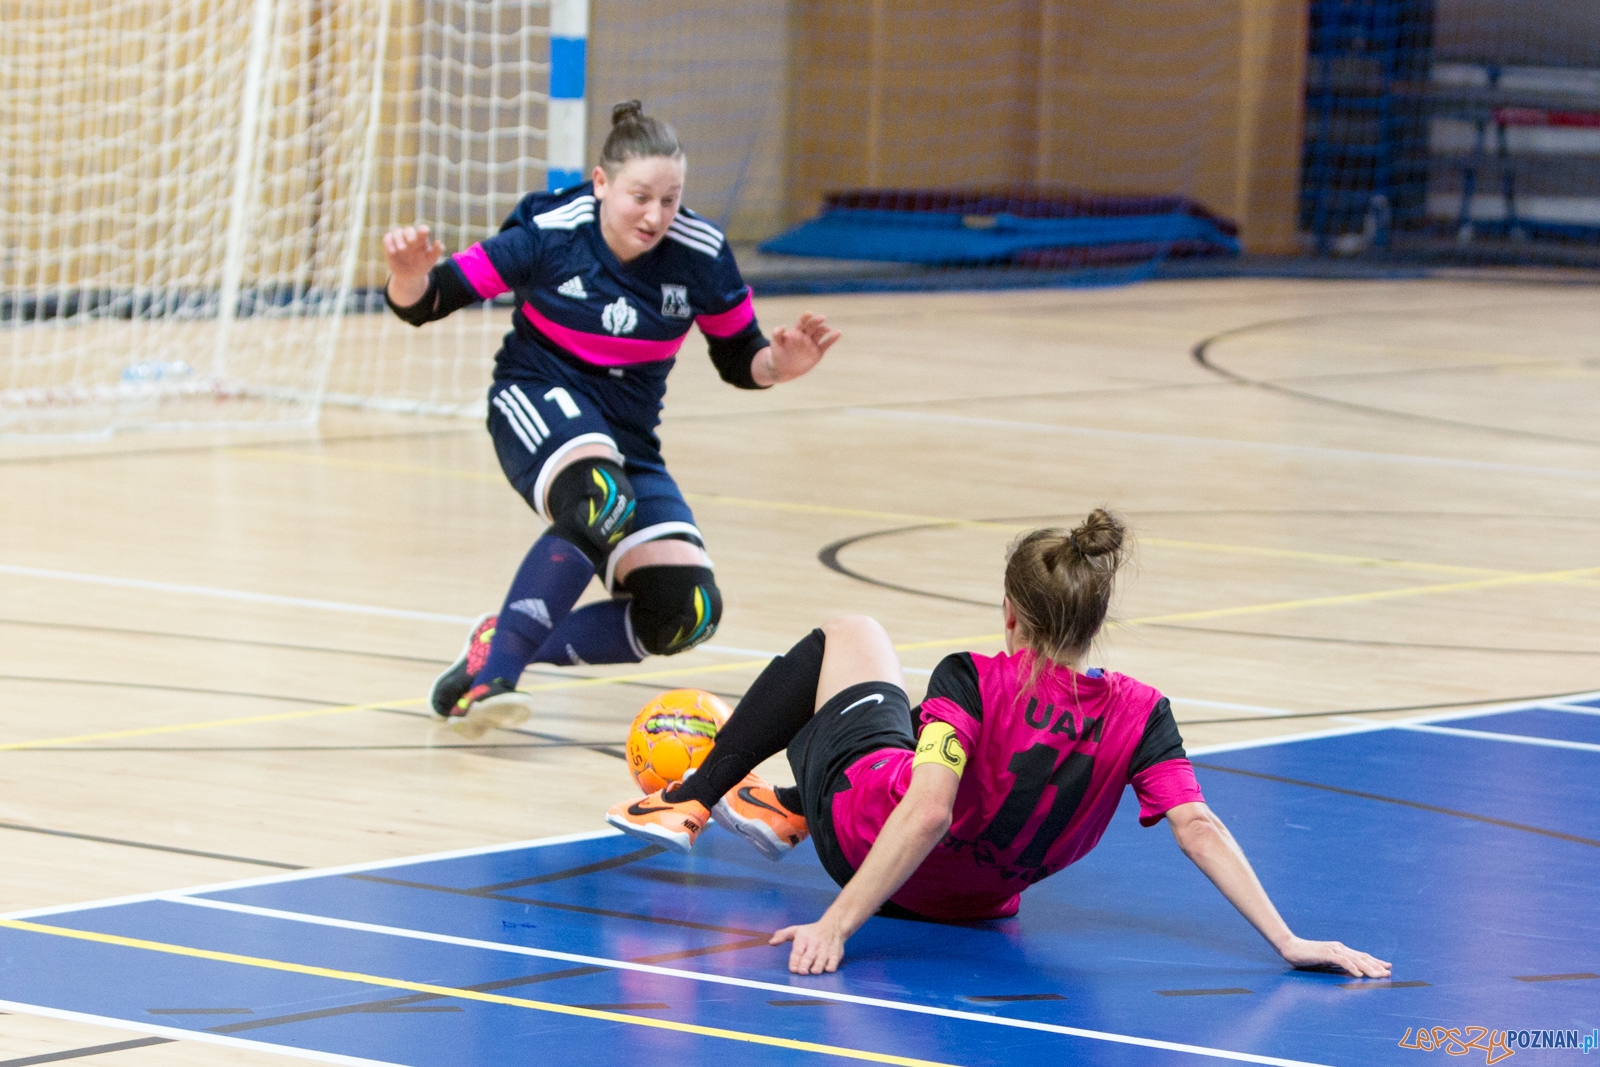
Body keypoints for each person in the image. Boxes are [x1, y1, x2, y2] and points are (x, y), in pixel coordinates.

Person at [608, 510, 1393, 979]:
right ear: (1094, 621)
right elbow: (1199, 827)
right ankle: (782, 804)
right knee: (912, 733)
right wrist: (1288, 939)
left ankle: (694, 797)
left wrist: (837, 924)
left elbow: (926, 814)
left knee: (853, 636)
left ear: (1010, 614)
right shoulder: (1145, 714)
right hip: (975, 905)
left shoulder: (973, 677)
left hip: (861, 838)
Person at [383, 100, 840, 739]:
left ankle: (504, 641)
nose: (655, 216)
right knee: (602, 499)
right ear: (600, 184)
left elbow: (742, 358)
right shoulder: (551, 233)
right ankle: (496, 680)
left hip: (628, 438)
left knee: (687, 612)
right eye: (639, 197)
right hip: (537, 395)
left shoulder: (701, 253)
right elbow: (427, 301)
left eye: (671, 200)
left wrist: (778, 365)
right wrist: (408, 277)